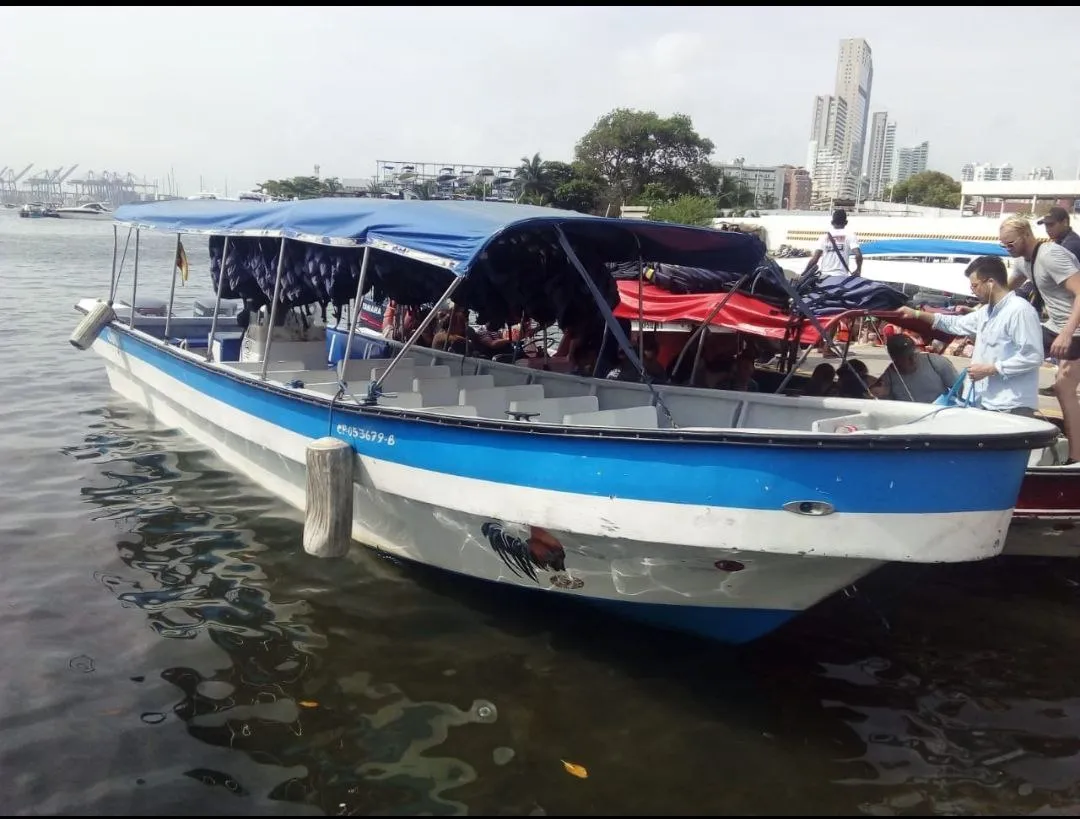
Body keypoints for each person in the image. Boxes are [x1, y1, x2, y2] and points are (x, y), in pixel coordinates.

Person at [898, 255, 1044, 416]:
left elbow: (1033, 356)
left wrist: (992, 368)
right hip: (986, 402)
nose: (972, 290)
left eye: (975, 285)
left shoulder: (1019, 311)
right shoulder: (986, 312)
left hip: (1011, 405)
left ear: (990, 282)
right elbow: (955, 324)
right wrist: (917, 314)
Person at [1000, 215, 1080, 462]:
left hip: (1072, 329)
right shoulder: (1026, 261)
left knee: (1013, 354)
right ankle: (1075, 457)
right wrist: (976, 307)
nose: (1007, 248)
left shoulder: (1051, 256)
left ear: (1025, 236)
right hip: (1057, 326)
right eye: (1003, 245)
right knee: (1063, 387)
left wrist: (1067, 333)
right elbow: (1005, 290)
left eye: (1010, 243)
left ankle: (1015, 431)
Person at [871, 334, 958, 403]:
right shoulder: (888, 377)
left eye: (914, 354)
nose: (912, 360)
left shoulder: (936, 362)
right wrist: (882, 395)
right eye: (906, 357)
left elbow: (959, 387)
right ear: (895, 359)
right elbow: (886, 405)